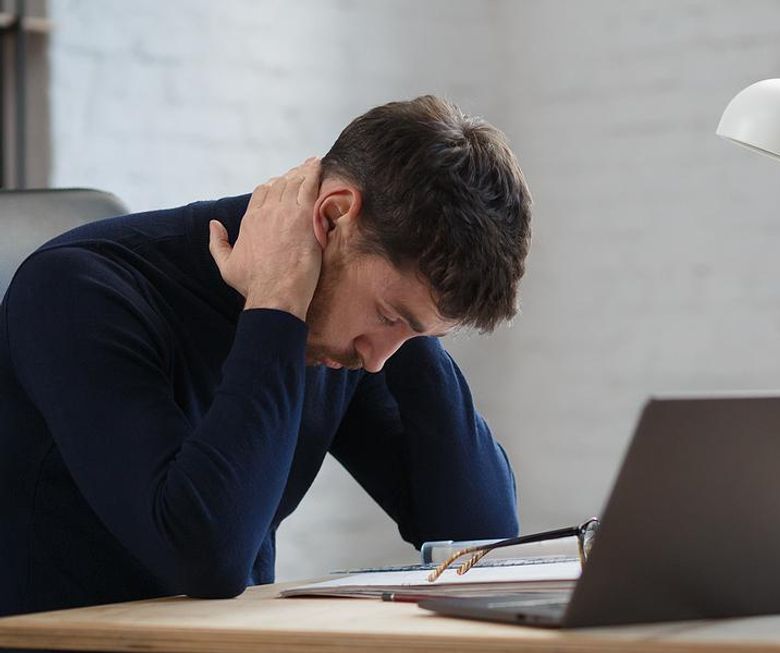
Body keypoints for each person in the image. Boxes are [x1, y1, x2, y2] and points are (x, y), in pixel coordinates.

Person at [0, 96, 532, 617]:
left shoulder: (344, 330)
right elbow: (203, 560)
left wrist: (418, 335)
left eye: (412, 333)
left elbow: (478, 541)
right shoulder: (76, 289)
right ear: (333, 215)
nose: (376, 361)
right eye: (389, 315)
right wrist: (276, 302)